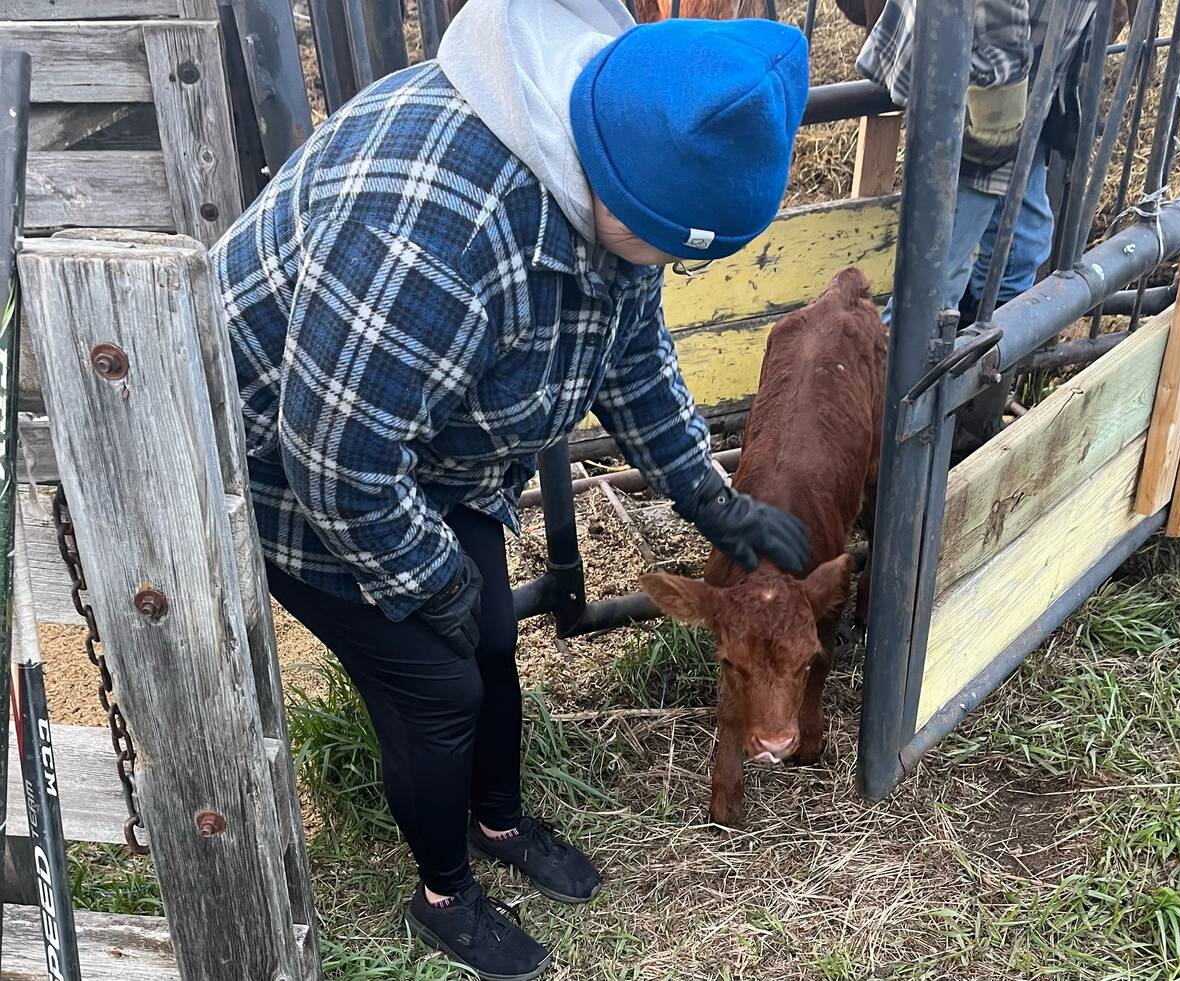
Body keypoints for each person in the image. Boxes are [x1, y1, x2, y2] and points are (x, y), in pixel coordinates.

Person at [212, 2, 811, 978]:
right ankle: (444, 890)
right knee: (442, 687)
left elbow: (631, 354)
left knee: (492, 634)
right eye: (664, 243)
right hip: (288, 469)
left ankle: (495, 823)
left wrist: (708, 495)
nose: (668, 267)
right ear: (610, 179)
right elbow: (335, 455)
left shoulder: (625, 166)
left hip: (423, 445)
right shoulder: (436, 225)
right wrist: (424, 577)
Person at [858, 0, 1099, 322]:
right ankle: (905, 365)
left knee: (1024, 241)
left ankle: (981, 347)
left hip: (1025, 77)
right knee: (938, 280)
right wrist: (1002, 95)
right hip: (988, 80)